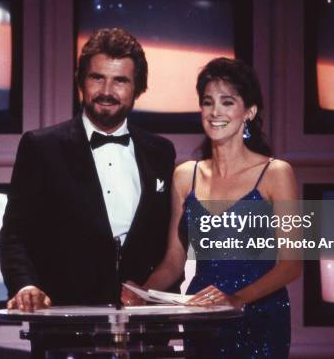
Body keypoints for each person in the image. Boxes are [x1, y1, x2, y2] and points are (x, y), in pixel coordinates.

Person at [122, 57, 301, 358]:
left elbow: (292, 263)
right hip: (202, 318)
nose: (215, 112)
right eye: (208, 102)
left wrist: (236, 299)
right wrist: (142, 293)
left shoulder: (275, 173)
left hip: (258, 318)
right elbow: (173, 262)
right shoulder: (185, 175)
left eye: (227, 102)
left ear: (249, 112)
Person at [0, 28, 180, 313]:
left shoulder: (161, 152)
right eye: (97, 78)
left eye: (120, 81)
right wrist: (25, 286)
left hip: (144, 324)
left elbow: (170, 244)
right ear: (80, 81)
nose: (107, 91)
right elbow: (14, 237)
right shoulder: (42, 147)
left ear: (138, 88)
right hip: (65, 320)